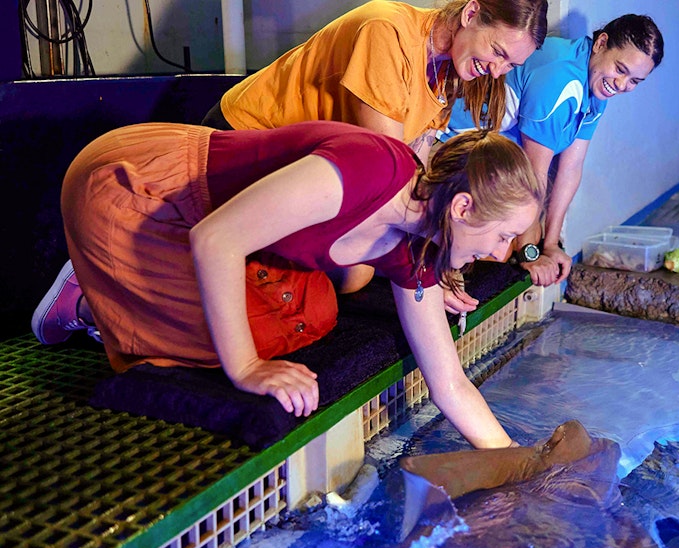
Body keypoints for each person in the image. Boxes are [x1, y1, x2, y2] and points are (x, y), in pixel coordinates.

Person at [32, 122, 543, 449]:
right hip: (139, 189)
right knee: (242, 342)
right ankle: (91, 296)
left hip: (221, 226)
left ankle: (131, 291)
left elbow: (449, 382)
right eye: (502, 236)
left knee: (312, 318)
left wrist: (516, 469)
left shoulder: (419, 248)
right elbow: (215, 239)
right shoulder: (368, 170)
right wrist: (247, 368)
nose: (501, 254)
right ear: (461, 207)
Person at [203, 0, 548, 313]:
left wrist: (438, 254)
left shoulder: (448, 69)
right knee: (356, 271)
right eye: (498, 52)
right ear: (470, 14)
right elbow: (393, 179)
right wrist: (430, 266)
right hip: (245, 138)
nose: (498, 71)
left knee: (361, 271)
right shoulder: (387, 31)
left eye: (510, 65)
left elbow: (420, 165)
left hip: (316, 164)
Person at [438, 14, 663, 287]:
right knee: (503, 250)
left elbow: (571, 168)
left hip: (488, 155)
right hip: (448, 149)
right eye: (620, 69)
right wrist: (530, 252)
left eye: (634, 81)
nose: (621, 84)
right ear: (601, 43)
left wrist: (551, 244)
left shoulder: (595, 85)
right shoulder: (562, 78)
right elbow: (534, 174)